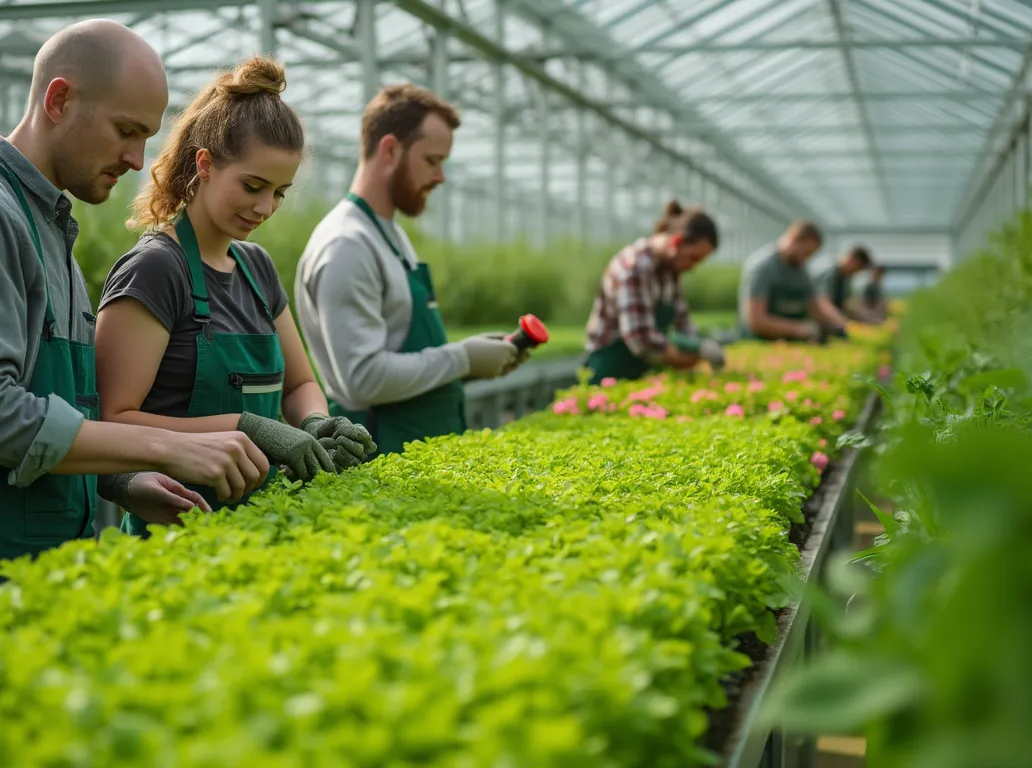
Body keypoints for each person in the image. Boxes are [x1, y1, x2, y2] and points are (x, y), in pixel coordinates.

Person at [0, 20, 269, 612]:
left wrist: (122, 481)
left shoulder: (47, 226)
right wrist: (164, 447)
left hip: (48, 563)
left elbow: (61, 410)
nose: (137, 159)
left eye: (146, 137)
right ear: (59, 100)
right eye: (126, 131)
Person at [93, 56, 377, 535]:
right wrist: (244, 426)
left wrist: (315, 423)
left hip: (266, 524)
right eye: (252, 186)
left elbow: (300, 385)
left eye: (279, 192)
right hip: (178, 527)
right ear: (204, 164)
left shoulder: (256, 267)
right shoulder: (156, 269)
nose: (265, 207)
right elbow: (111, 422)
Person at [293, 83, 527, 457]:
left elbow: (402, 350)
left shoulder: (388, 233)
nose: (440, 177)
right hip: (380, 455)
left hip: (417, 451)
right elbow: (362, 379)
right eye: (432, 161)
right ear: (390, 150)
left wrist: (471, 362)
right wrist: (462, 358)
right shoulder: (346, 245)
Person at [582, 200, 726, 383]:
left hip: (641, 367)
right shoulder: (635, 267)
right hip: (610, 364)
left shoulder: (671, 270)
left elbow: (682, 322)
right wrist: (682, 357)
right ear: (676, 241)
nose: (693, 266)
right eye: (693, 258)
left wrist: (700, 345)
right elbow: (640, 337)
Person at [737, 220, 844, 341]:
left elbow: (815, 308)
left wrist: (837, 327)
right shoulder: (763, 267)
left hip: (788, 341)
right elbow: (756, 321)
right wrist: (799, 329)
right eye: (806, 252)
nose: (806, 258)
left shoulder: (801, 270)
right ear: (794, 240)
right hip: (759, 340)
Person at [814, 245, 874, 328]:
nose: (857, 272)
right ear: (853, 260)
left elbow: (846, 305)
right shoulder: (830, 274)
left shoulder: (845, 279)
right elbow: (824, 303)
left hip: (834, 321)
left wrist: (866, 320)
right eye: (858, 268)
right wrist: (844, 322)